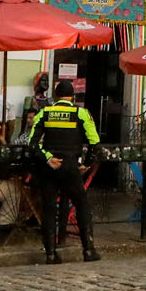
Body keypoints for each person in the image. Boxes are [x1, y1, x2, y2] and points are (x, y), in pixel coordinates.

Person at [21, 76, 101, 262]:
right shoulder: (81, 113)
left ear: (55, 97)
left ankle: (50, 253)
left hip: (50, 168)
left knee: (49, 208)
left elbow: (32, 144)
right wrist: (85, 164)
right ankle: (88, 250)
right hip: (71, 166)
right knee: (81, 204)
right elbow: (94, 143)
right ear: (72, 97)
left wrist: (48, 158)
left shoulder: (44, 113)